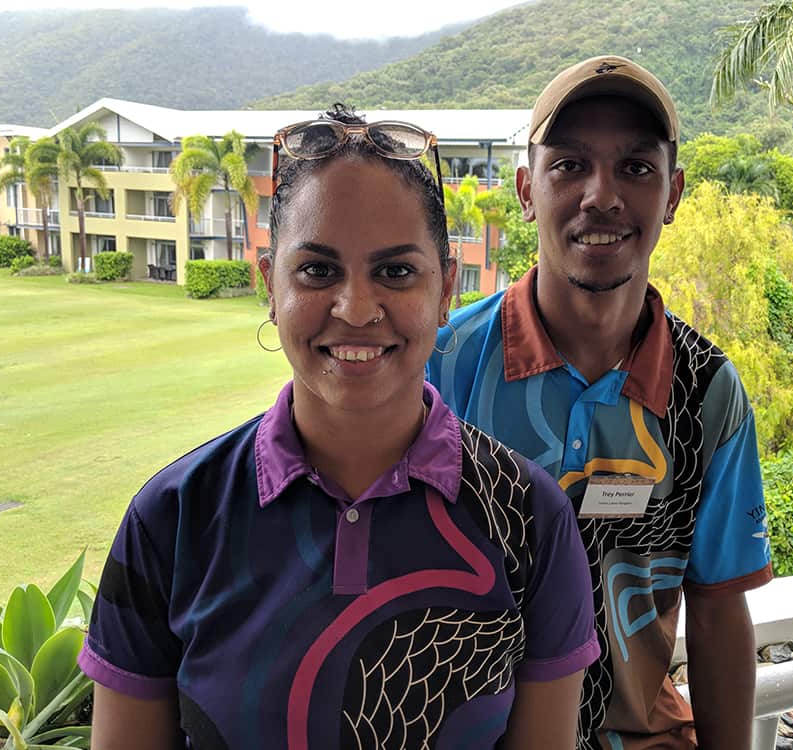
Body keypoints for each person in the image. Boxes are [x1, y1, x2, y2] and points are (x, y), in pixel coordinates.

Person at [79, 104, 599, 750]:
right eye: (318, 270)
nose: (356, 308)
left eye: (396, 271)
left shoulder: (530, 520)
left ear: (445, 291)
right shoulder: (173, 518)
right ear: (270, 285)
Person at [427, 57, 773, 750]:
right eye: (570, 165)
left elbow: (716, 610)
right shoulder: (445, 365)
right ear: (527, 189)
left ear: (672, 194)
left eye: (636, 168)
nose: (602, 195)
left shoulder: (708, 392)